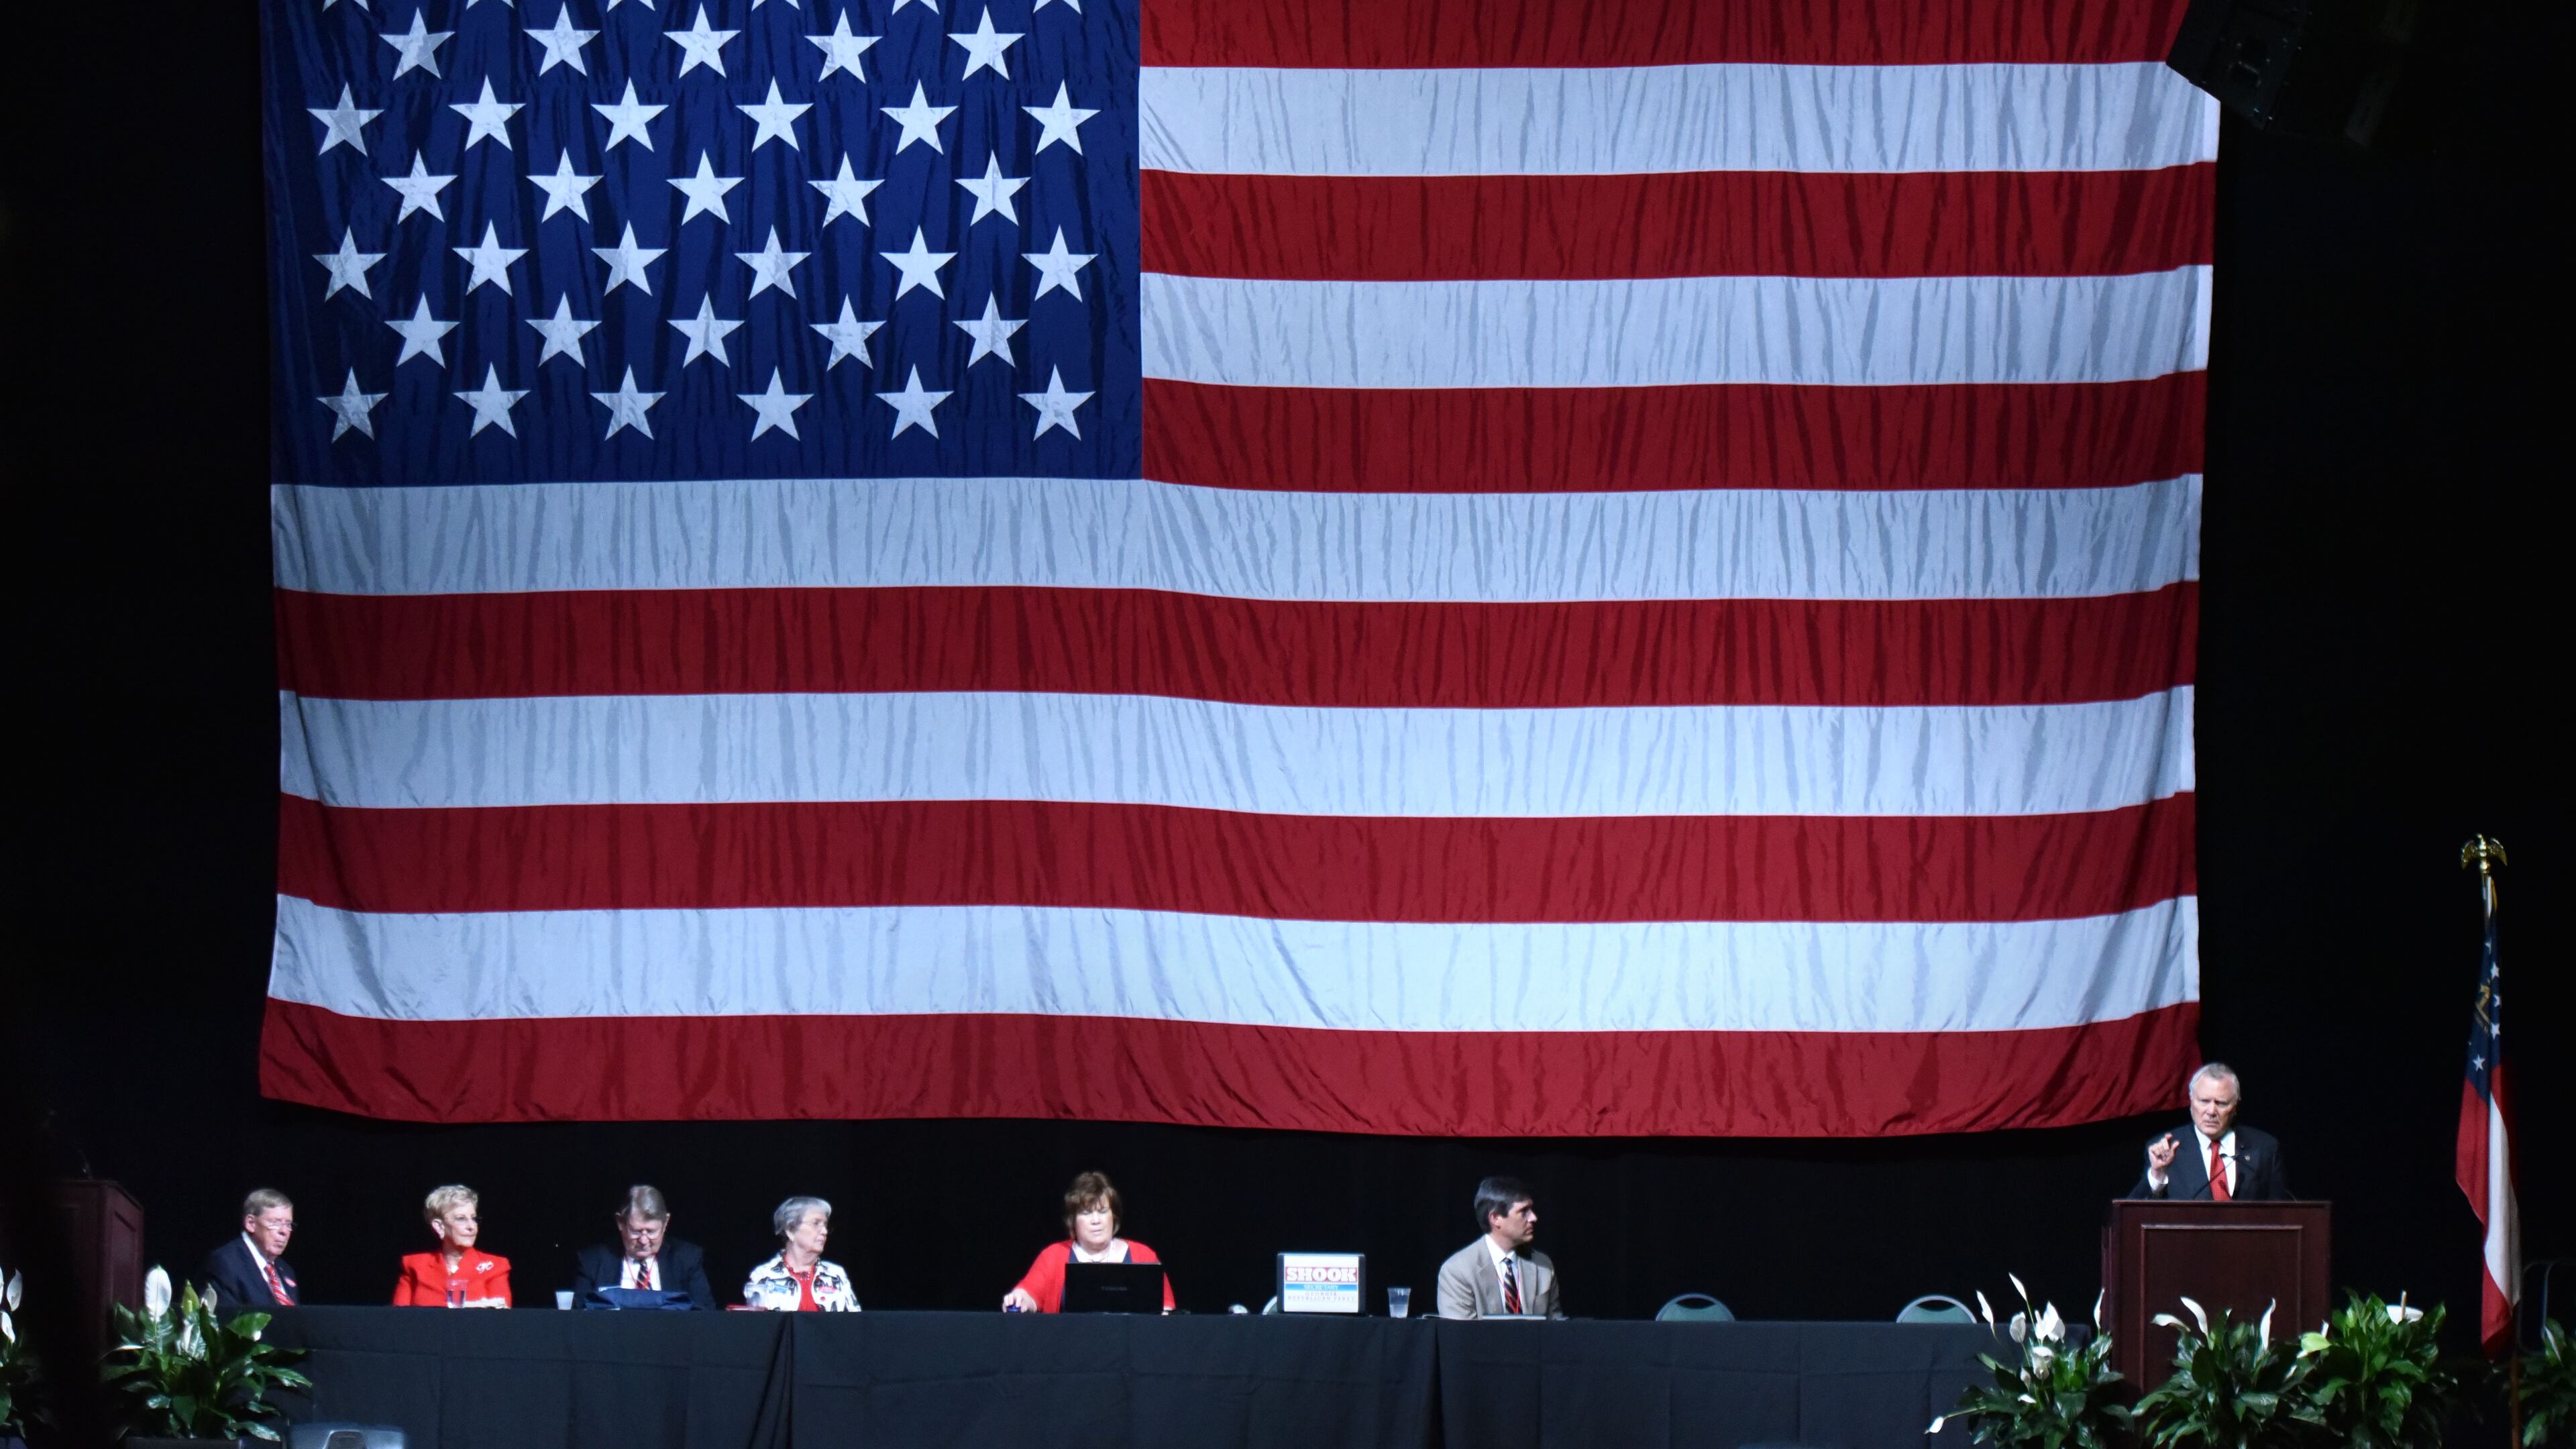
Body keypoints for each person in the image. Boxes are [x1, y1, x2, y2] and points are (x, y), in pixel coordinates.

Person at [1001, 1171, 1175, 1313]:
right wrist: (1020, 1299)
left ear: (1113, 1216)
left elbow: (1167, 1310)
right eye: (1086, 1213)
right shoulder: (1053, 1256)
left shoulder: (1144, 1255)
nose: (1096, 1220)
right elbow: (1029, 1294)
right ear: (1073, 1221)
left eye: (1103, 1211)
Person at [2129, 1061, 2292, 1201]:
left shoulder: (2264, 1148)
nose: (2211, 1111)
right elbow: (2134, 1216)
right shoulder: (2166, 1149)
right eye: (2204, 1101)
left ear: (2235, 1106)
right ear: (2191, 1100)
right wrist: (2157, 1174)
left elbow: (2281, 1215)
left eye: (2221, 1103)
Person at [1435, 1176, 1564, 1319]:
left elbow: (1556, 1329)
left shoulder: (1542, 1265)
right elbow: (1462, 1337)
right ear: (1496, 1218)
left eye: (1531, 1210)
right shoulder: (1458, 1271)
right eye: (1524, 1212)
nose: (1534, 1217)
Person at [571, 1185, 718, 1309]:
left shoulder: (687, 1259)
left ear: (666, 1223)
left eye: (651, 1232)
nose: (644, 1240)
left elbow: (705, 1317)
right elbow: (578, 1319)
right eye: (636, 1231)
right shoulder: (593, 1261)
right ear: (620, 1223)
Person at [392, 1184, 513, 1306]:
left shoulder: (495, 1266)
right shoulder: (415, 1265)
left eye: (474, 1219)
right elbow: (398, 1320)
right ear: (439, 1226)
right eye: (461, 1219)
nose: (472, 1227)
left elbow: (500, 1320)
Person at [743, 1196, 859, 1311]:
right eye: (816, 1223)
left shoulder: (836, 1275)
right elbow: (758, 1326)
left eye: (825, 1225)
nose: (825, 1231)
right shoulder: (763, 1276)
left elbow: (854, 1324)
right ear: (790, 1230)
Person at [199, 1187, 301, 1307]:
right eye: (275, 1223)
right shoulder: (225, 1263)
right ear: (251, 1224)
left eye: (288, 1224)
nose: (284, 1231)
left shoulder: (286, 1270)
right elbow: (225, 1321)